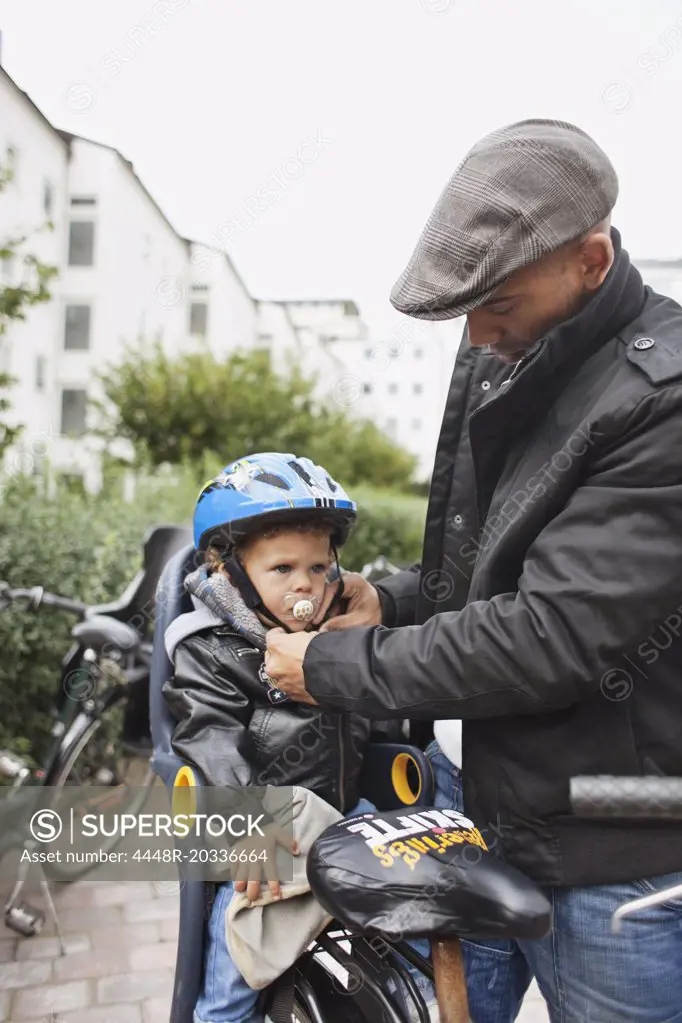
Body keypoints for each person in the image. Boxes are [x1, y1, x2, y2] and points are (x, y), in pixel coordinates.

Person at [263, 120, 682, 1022]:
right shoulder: (520, 354)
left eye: (498, 306)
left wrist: (333, 668)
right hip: (476, 807)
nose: (480, 334)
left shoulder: (663, 402)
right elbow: (498, 571)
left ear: (591, 259)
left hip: (613, 851)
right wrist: (391, 601)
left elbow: (553, 634)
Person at [162, 452, 434, 1023]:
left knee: (423, 912)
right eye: (282, 570)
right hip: (266, 839)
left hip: (345, 817)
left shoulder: (337, 642)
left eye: (317, 567)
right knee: (237, 960)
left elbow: (376, 720)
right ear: (228, 572)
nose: (305, 585)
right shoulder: (211, 650)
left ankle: (405, 999)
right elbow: (208, 739)